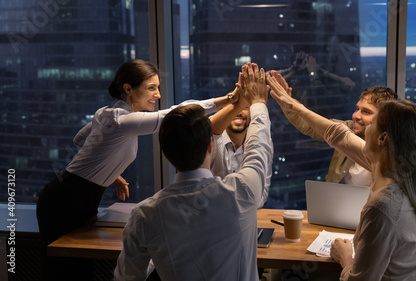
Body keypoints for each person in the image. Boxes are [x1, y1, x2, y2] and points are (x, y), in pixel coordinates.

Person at [36, 59, 237, 281]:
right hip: (65, 200)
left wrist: (111, 174)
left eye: (158, 87)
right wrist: (229, 99)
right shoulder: (123, 120)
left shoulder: (106, 113)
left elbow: (80, 139)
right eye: (151, 88)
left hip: (77, 195)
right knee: (61, 272)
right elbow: (176, 114)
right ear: (128, 89)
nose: (158, 95)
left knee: (77, 271)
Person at [267, 71, 416, 281]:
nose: (355, 122)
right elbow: (337, 134)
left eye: (373, 120)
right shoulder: (407, 177)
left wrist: (345, 258)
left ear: (382, 138)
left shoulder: (384, 207)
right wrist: (291, 104)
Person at [114, 62, 272, 281]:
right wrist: (258, 103)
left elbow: (127, 278)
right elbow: (259, 146)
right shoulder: (241, 191)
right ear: (211, 145)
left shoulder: (144, 216)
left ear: (167, 153)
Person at [281, 80, 397, 186]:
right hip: (337, 204)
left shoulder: (395, 152)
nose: (356, 116)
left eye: (366, 112)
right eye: (357, 109)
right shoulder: (348, 128)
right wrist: (285, 102)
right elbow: (308, 125)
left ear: (384, 119)